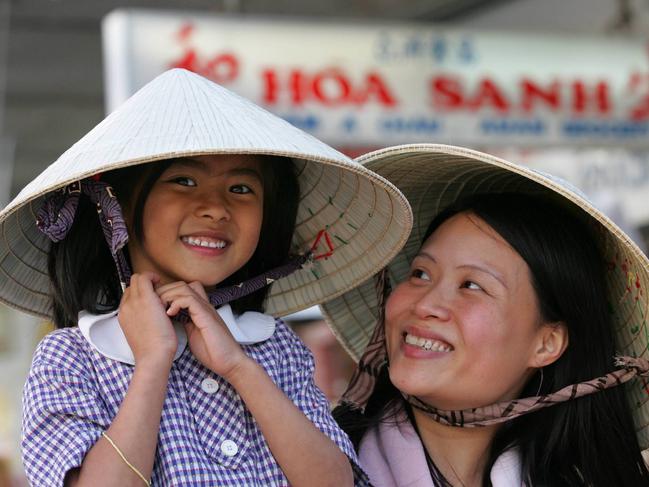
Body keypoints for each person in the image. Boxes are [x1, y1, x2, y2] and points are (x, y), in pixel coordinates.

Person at [0, 69, 411, 486]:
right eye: (184, 180)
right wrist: (152, 363)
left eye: (242, 189)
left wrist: (237, 365)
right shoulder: (72, 358)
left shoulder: (275, 349)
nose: (216, 207)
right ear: (114, 209)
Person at [321, 144, 649, 486]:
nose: (424, 305)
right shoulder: (299, 467)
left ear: (546, 343)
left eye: (472, 285)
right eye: (420, 274)